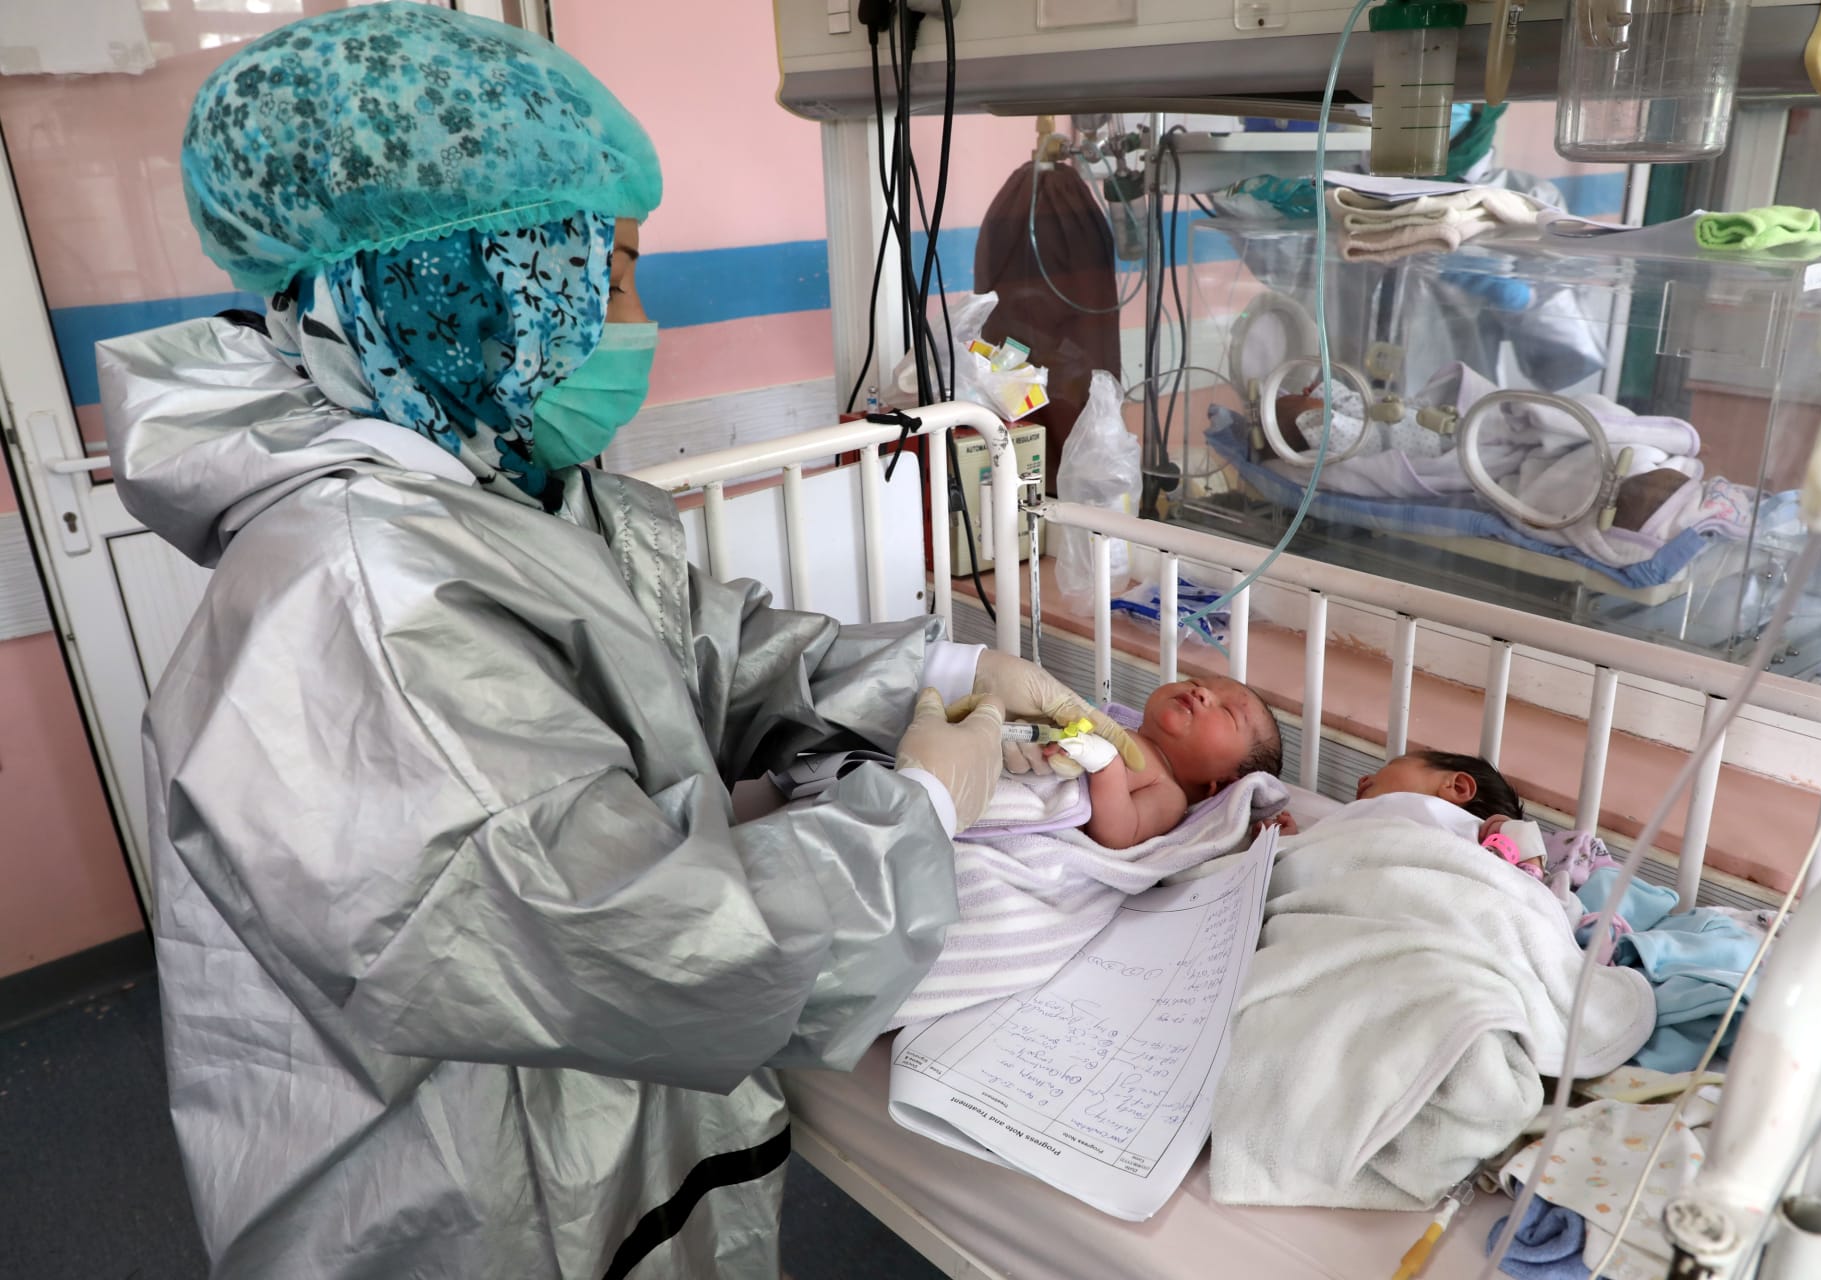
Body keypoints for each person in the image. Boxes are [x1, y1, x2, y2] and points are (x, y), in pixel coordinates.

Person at [99, 7, 1139, 1279]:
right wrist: (918, 805)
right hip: (465, 1207)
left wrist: (941, 672)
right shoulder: (356, 597)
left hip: (591, 1150)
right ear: (453, 279)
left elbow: (702, 649)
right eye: (603, 275)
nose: (638, 321)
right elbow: (630, 942)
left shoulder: (507, 490)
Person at [1044, 675, 1284, 848]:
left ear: (1220, 785)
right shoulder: (1115, 727)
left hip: (1041, 816)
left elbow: (1117, 835)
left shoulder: (1169, 794)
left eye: (1228, 713)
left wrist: (1106, 767)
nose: (1201, 692)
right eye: (1195, 682)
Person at [1267, 748, 1525, 850]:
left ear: (1456, 786)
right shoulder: (1356, 823)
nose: (1363, 778)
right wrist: (1286, 845)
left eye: (1392, 764)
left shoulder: (1473, 842)